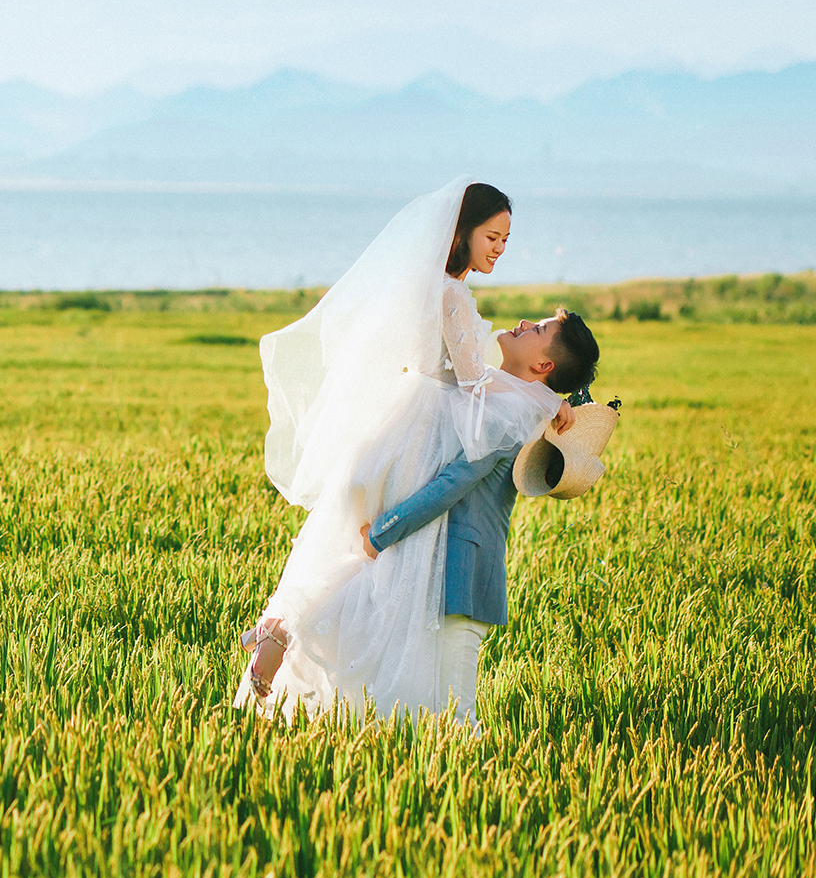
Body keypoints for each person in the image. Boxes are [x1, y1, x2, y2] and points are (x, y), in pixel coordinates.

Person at [235, 178, 577, 721]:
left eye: (505, 241)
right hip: (425, 437)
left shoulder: (437, 286)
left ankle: (283, 627)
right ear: (461, 233)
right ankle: (290, 632)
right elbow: (474, 387)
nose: (498, 249)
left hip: (402, 425)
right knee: (390, 567)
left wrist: (541, 395)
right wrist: (541, 398)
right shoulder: (452, 295)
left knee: (369, 561)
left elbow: (472, 375)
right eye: (491, 237)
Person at [358, 311, 602, 725]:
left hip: (462, 574)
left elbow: (453, 483)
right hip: (445, 568)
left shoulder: (511, 416)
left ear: (544, 364)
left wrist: (380, 534)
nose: (523, 323)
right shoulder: (507, 397)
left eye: (537, 329)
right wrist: (558, 400)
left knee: (456, 715)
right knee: (421, 712)